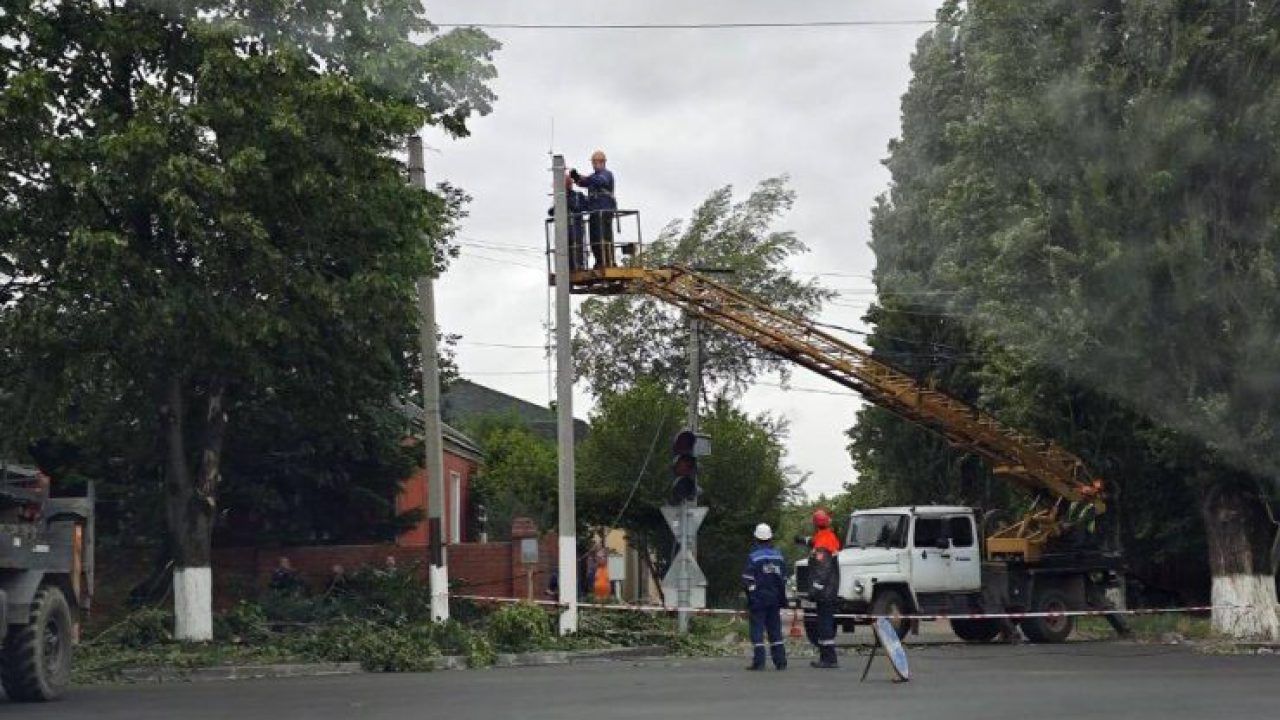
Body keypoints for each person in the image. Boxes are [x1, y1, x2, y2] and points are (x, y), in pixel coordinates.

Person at [742, 522, 788, 671]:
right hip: (774, 599)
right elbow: (783, 579)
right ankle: (780, 661)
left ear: (756, 538)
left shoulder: (753, 557)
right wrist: (782, 598)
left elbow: (748, 579)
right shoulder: (778, 557)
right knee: (775, 630)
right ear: (770, 538)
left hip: (759, 599)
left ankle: (759, 662)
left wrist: (751, 596)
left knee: (757, 631)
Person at [570, 150, 617, 269]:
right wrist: (576, 177)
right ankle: (600, 261)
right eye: (593, 162)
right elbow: (584, 182)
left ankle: (608, 261)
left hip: (604, 210)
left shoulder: (606, 174)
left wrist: (583, 178)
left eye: (596, 162)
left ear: (602, 162)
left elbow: (600, 181)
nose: (594, 164)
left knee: (604, 237)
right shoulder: (594, 176)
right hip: (595, 211)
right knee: (595, 238)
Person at [807, 508, 842, 668]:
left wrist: (815, 590)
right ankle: (826, 657)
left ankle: (829, 659)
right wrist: (804, 540)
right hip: (831, 588)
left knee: (825, 624)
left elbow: (822, 570)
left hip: (825, 591)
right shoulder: (829, 537)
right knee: (825, 622)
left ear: (815, 524)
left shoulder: (822, 543)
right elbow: (814, 542)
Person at [547, 174, 589, 270]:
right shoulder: (560, 199)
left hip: (576, 226)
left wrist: (568, 202)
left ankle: (578, 266)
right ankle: (565, 267)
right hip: (563, 228)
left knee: (576, 247)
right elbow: (551, 211)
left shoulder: (578, 196)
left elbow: (584, 206)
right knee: (564, 248)